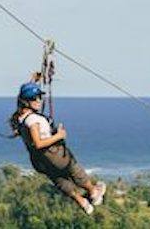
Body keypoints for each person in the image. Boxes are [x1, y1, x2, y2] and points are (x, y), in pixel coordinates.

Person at [11, 73, 106, 214]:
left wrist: (33, 81)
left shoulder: (20, 118)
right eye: (35, 99)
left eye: (39, 97)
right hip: (53, 154)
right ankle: (93, 192)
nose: (39, 101)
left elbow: (22, 99)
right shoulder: (32, 121)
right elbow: (38, 143)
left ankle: (82, 202)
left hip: (39, 161)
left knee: (59, 179)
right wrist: (59, 136)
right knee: (73, 169)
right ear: (27, 102)